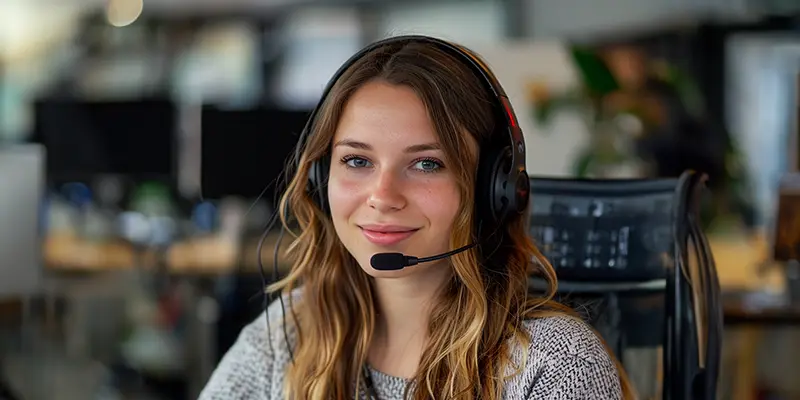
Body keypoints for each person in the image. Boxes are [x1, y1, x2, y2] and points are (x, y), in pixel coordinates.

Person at [199, 36, 634, 400]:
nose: (383, 197)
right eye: (356, 160)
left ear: (491, 188)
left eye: (426, 164)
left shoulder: (555, 364)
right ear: (319, 177)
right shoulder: (292, 332)